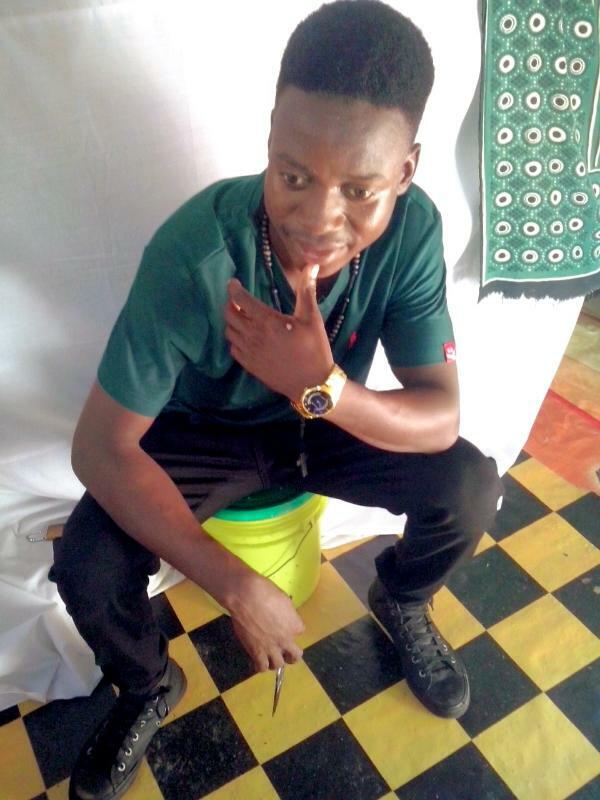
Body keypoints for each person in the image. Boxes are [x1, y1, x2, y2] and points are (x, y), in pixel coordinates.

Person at [50, 2, 502, 798]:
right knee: (85, 563)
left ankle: (402, 597)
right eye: (294, 176)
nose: (320, 219)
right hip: (208, 433)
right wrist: (234, 584)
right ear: (269, 140)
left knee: (469, 485)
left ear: (406, 171)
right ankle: (147, 683)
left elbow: (440, 418)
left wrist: (318, 387)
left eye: (360, 189)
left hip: (325, 422)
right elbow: (100, 447)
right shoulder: (194, 253)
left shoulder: (412, 232)